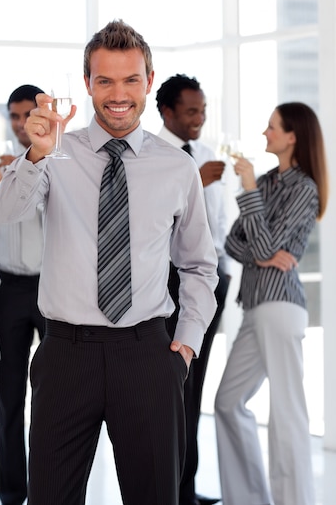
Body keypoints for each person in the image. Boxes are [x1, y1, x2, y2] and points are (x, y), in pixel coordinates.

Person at [0, 19, 219, 505]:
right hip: (65, 357)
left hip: (147, 355)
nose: (119, 93)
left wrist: (185, 350)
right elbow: (6, 212)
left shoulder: (177, 167)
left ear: (149, 81)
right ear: (88, 83)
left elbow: (199, 265)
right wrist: (34, 154)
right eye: (105, 80)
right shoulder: (54, 153)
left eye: (131, 79)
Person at [214, 102, 329, 505]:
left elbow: (259, 242)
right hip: (255, 306)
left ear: (293, 135)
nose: (265, 133)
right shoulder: (263, 183)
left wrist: (247, 194)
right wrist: (262, 252)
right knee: (227, 402)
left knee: (287, 413)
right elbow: (234, 244)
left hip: (281, 306)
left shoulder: (305, 188)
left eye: (271, 127)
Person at [156, 74, 231, 505]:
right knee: (167, 390)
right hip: (166, 283)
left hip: (209, 282)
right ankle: (165, 489)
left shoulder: (206, 155)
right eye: (191, 111)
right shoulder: (152, 157)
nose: (200, 119)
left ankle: (186, 489)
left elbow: (216, 226)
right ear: (167, 112)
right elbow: (150, 231)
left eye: (202, 110)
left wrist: (222, 271)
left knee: (193, 388)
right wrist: (195, 183)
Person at [0, 84, 45, 505]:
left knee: (55, 397)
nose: (19, 124)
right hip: (8, 291)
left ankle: (52, 489)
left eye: (26, 116)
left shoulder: (59, 164)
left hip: (52, 289)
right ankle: (12, 493)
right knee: (9, 396)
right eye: (13, 117)